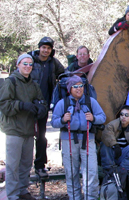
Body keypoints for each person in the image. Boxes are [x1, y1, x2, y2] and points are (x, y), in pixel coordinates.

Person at [0, 54, 47, 200]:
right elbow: (4, 105)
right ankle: (13, 195)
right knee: (13, 165)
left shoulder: (33, 85)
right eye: (25, 63)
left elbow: (42, 101)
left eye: (30, 64)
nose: (28, 66)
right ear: (18, 64)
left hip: (28, 129)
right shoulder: (11, 82)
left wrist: (41, 108)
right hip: (14, 129)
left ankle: (22, 190)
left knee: (26, 164)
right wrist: (21, 105)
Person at [51, 75, 106, 199]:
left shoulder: (90, 101)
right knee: (71, 172)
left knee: (91, 171)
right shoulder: (62, 103)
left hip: (88, 138)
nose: (78, 89)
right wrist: (63, 120)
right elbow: (54, 122)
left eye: (81, 86)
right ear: (69, 89)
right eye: (75, 86)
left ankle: (90, 197)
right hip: (68, 139)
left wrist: (94, 118)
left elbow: (102, 117)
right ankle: (75, 197)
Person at [28, 36, 65, 177]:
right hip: (29, 103)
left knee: (41, 136)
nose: (45, 50)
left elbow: (64, 74)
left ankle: (40, 164)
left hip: (43, 104)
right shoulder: (30, 60)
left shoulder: (53, 63)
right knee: (25, 135)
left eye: (48, 48)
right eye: (43, 47)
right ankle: (23, 165)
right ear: (39, 48)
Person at [100, 105, 129, 179]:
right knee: (104, 143)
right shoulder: (112, 124)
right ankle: (109, 169)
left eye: (127, 115)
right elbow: (107, 134)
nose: (123, 117)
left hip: (124, 155)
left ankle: (125, 169)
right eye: (121, 114)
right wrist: (115, 145)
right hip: (114, 153)